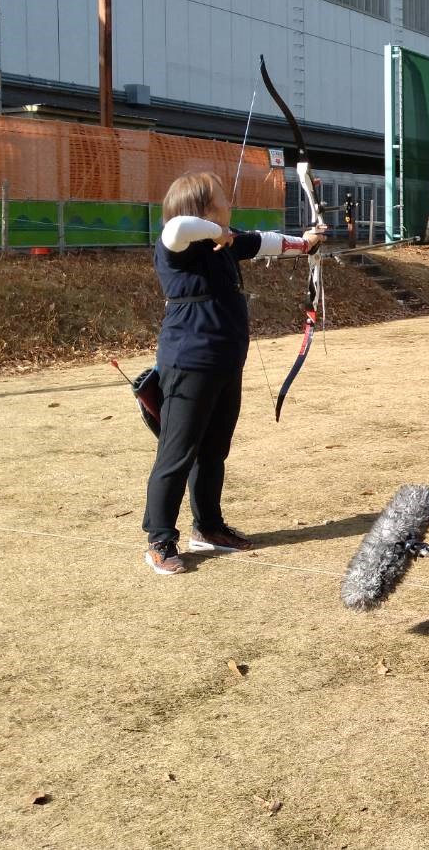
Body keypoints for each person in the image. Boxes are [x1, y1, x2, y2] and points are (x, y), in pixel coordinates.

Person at [141, 171, 322, 575]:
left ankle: (208, 527)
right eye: (221, 200)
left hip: (225, 361)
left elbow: (265, 241)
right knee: (177, 452)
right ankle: (159, 538)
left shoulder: (224, 242)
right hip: (189, 360)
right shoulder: (178, 244)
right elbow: (177, 226)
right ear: (204, 208)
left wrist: (306, 242)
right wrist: (217, 230)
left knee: (214, 449)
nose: (229, 204)